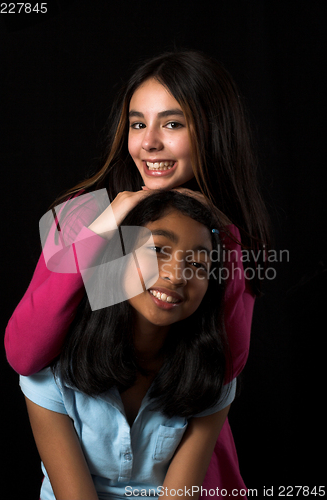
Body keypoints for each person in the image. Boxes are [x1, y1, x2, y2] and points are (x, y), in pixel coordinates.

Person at [6, 50, 270, 496]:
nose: (148, 143)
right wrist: (104, 230)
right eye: (137, 123)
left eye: (172, 124)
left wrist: (224, 240)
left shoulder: (226, 233)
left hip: (181, 463)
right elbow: (25, 354)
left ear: (211, 132)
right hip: (88, 460)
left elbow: (224, 367)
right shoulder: (81, 215)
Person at [20, 190, 238, 500]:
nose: (177, 276)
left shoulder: (212, 375)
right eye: (158, 249)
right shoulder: (50, 370)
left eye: (199, 265)